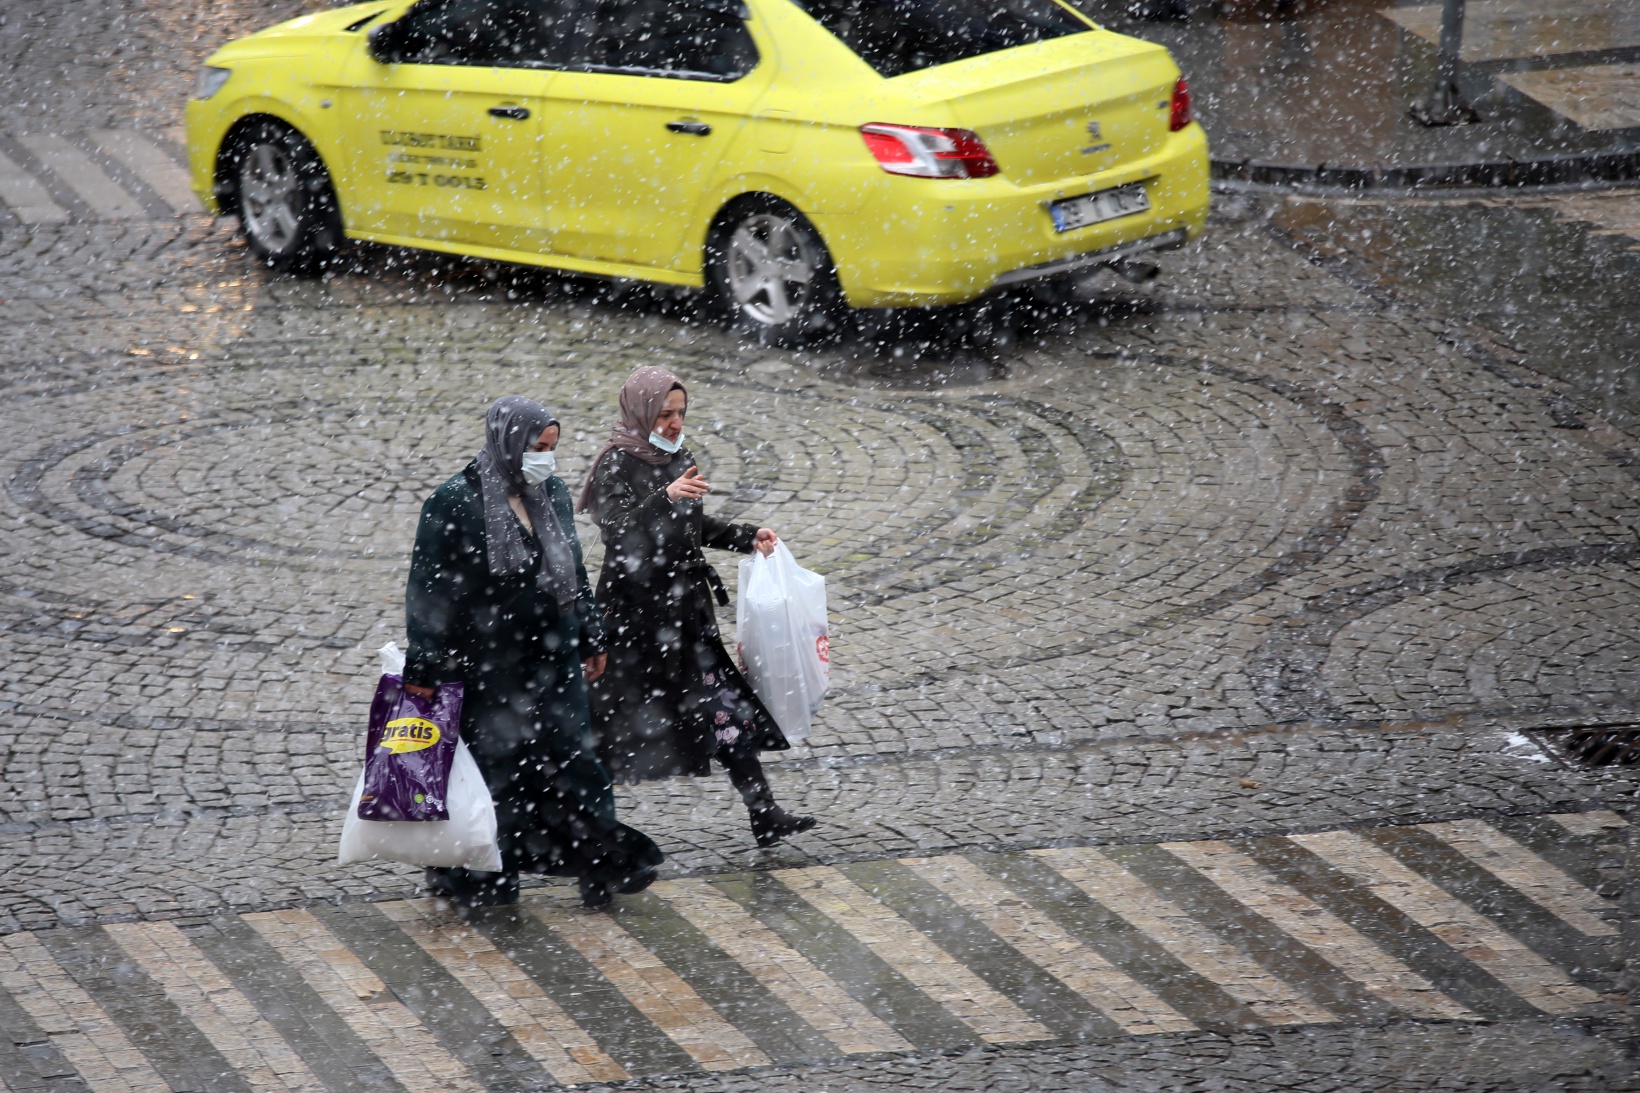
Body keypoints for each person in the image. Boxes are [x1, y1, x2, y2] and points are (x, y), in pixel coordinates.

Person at [403, 396, 663, 909]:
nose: (545, 458)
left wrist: (591, 632)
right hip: (487, 664)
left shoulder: (553, 494)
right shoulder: (454, 501)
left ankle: (601, 862)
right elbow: (430, 590)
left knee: (577, 761)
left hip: (554, 655)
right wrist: (426, 664)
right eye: (538, 447)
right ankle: (484, 876)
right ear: (509, 442)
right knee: (495, 770)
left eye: (552, 447)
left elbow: (573, 570)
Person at [578, 366, 817, 847]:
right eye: (664, 413)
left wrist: (746, 536)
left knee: (723, 707)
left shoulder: (676, 454)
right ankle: (584, 830)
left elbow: (693, 523)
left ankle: (764, 811)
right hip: (635, 617)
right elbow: (619, 534)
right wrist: (663, 498)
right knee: (605, 722)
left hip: (686, 613)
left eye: (680, 412)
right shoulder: (615, 465)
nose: (674, 423)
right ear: (640, 411)